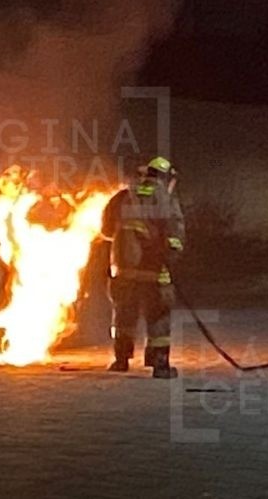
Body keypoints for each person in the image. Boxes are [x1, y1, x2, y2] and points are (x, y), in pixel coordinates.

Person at [101, 156, 186, 378]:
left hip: (123, 271)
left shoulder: (122, 196)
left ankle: (121, 360)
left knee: (124, 315)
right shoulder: (165, 198)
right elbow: (175, 231)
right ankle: (160, 365)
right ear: (165, 177)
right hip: (154, 270)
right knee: (158, 316)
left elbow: (106, 231)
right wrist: (170, 256)